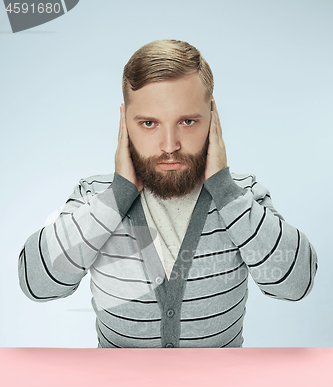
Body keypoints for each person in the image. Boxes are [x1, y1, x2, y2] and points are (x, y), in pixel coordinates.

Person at [18, 39, 318, 348]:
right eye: (149, 123)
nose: (169, 145)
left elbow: (296, 284)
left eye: (187, 121)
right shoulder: (95, 197)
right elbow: (36, 284)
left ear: (212, 118)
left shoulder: (241, 197)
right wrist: (118, 196)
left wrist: (224, 189)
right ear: (125, 123)